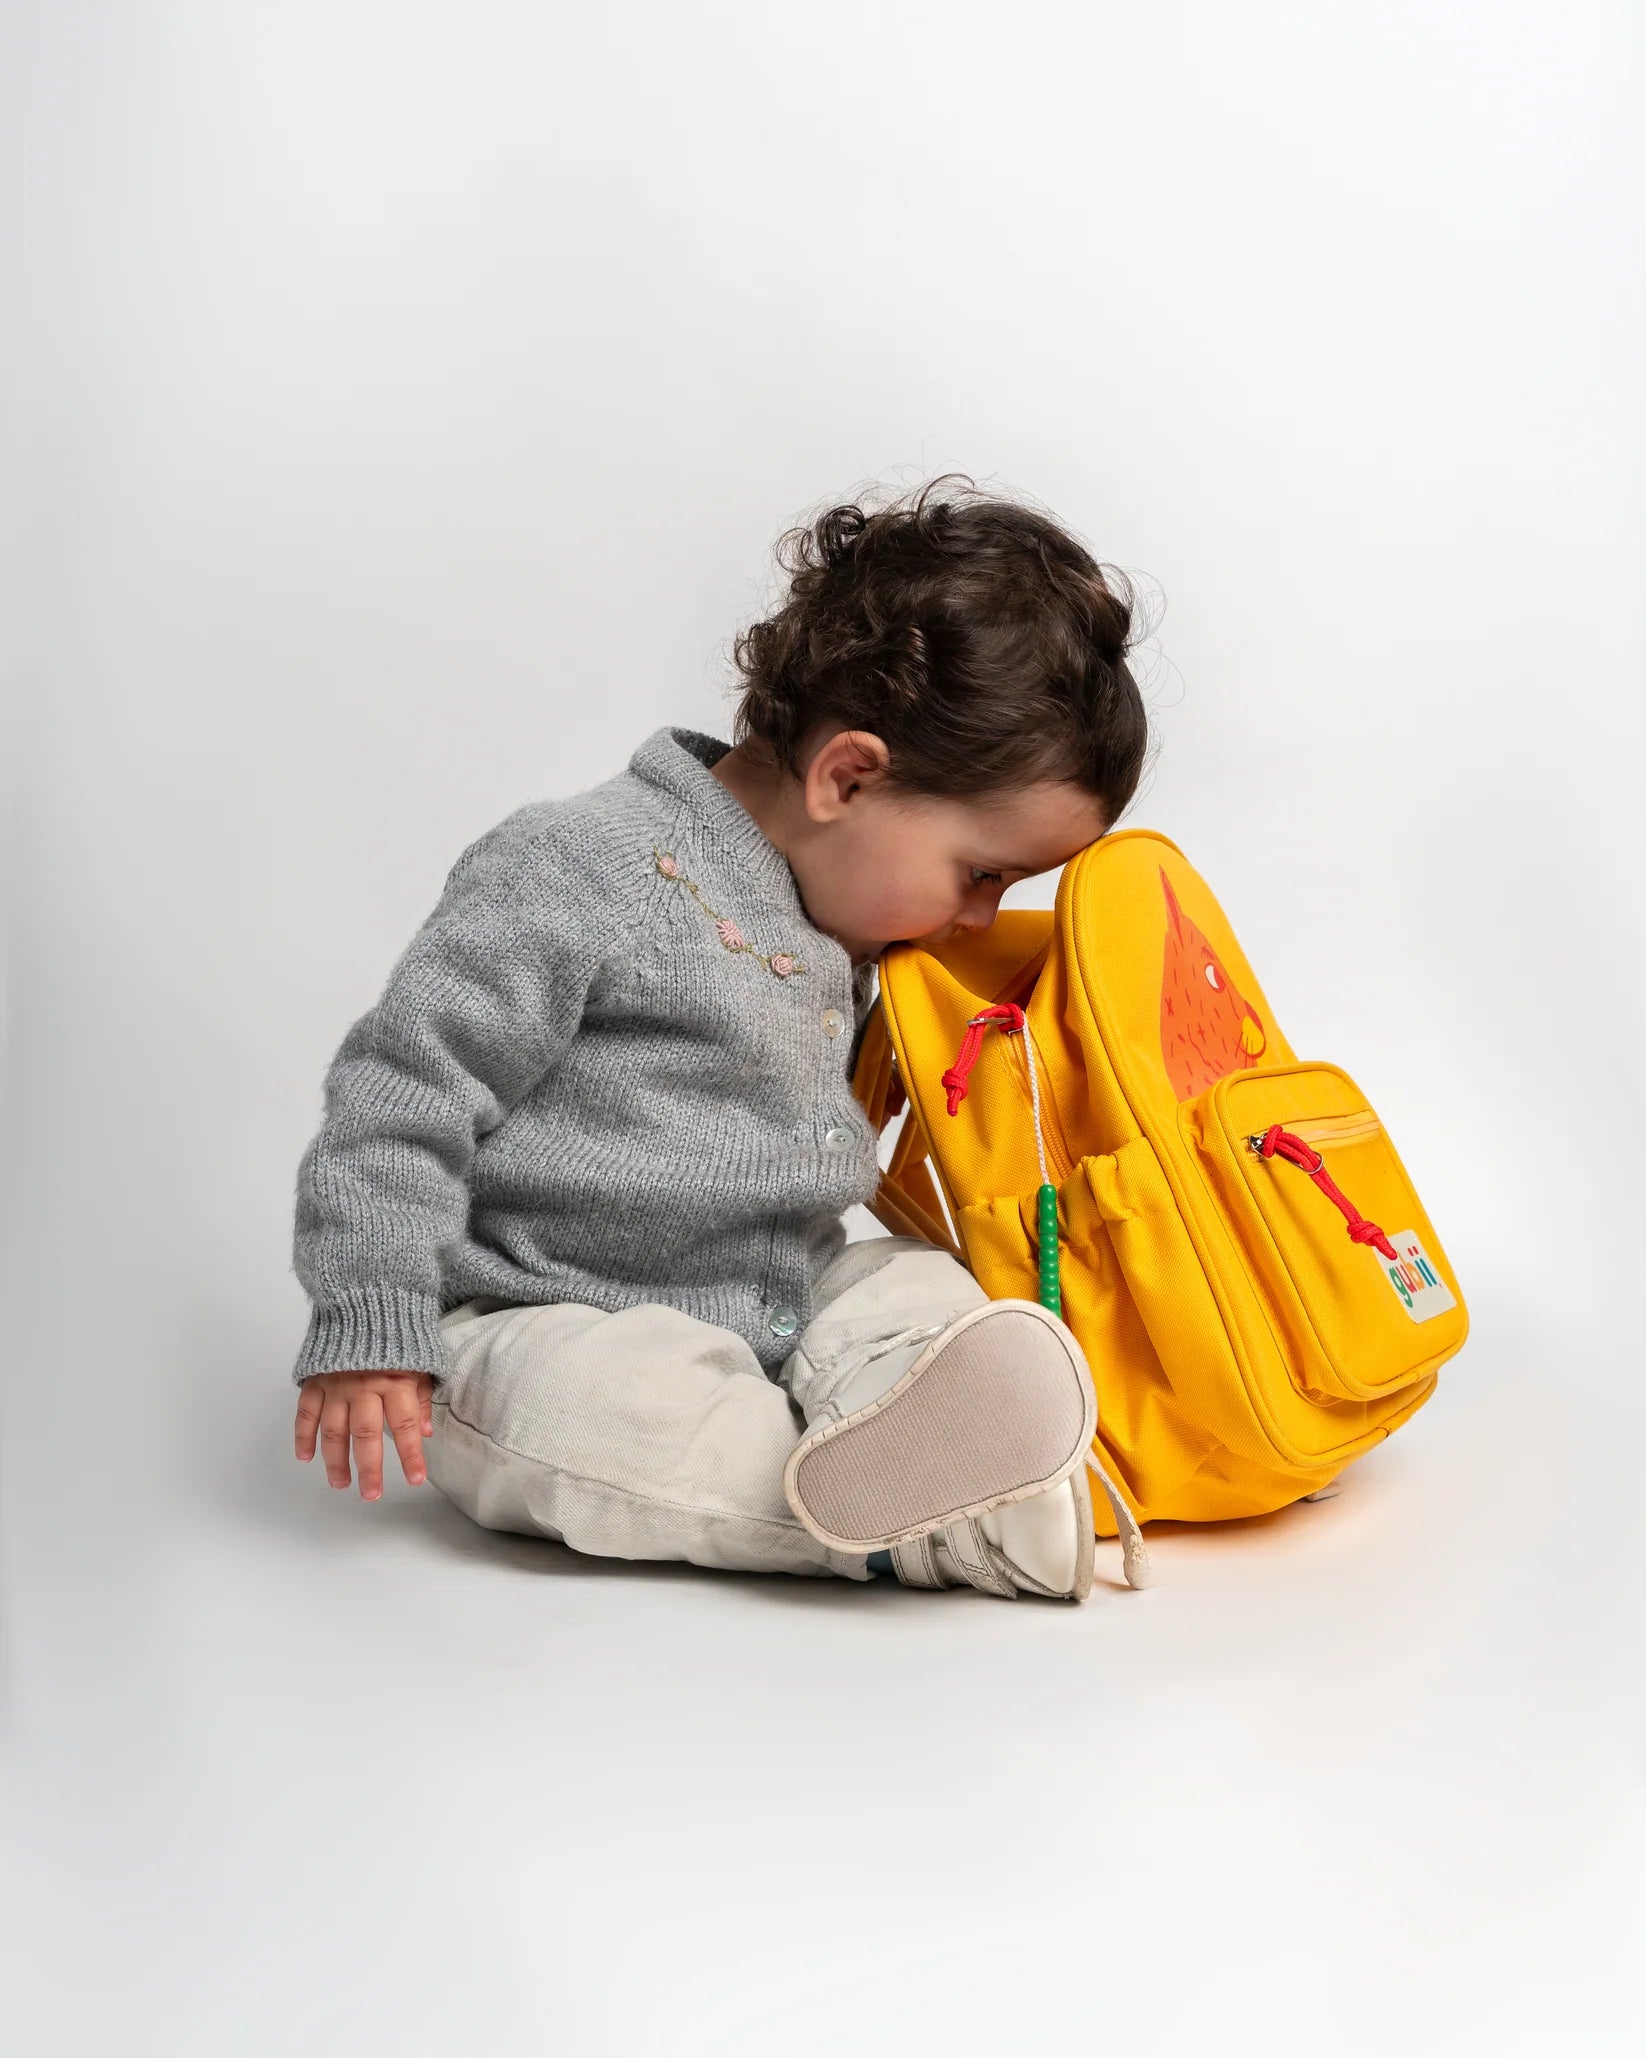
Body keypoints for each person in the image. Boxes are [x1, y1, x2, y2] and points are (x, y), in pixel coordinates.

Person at [288, 473, 1150, 1601]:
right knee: (576, 1410)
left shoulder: (841, 910)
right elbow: (403, 1094)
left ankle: (933, 1429)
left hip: (790, 1285)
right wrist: (372, 1316)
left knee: (913, 1288)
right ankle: (918, 1523)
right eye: (979, 874)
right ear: (847, 776)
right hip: (549, 1309)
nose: (979, 915)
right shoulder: (577, 867)